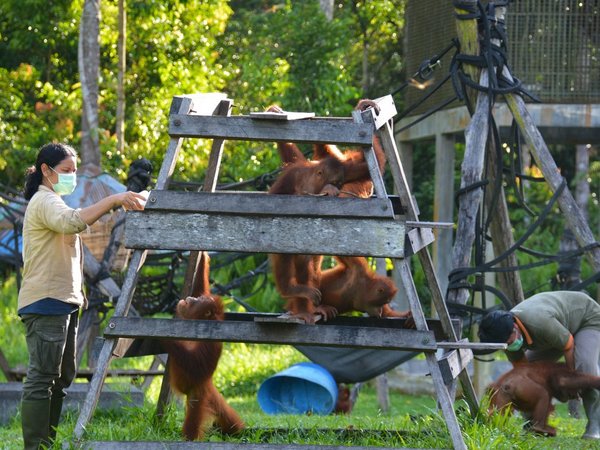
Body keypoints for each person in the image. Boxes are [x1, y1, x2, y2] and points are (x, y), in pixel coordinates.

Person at [18, 143, 149, 449]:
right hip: (45, 301)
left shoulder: (56, 201)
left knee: (60, 379)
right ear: (45, 171)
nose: (72, 177)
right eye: (66, 171)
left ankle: (46, 442)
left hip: (64, 302)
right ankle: (35, 445)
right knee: (42, 379)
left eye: (75, 170)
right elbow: (73, 221)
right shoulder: (44, 201)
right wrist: (115, 198)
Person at [478, 290, 600, 440]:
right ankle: (532, 423)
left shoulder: (539, 321)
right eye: (504, 344)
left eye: (508, 341)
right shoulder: (505, 336)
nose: (508, 345)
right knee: (531, 371)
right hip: (557, 331)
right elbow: (523, 374)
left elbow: (567, 344)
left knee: (585, 367)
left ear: (515, 327)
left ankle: (595, 423)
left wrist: (572, 382)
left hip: (586, 319)